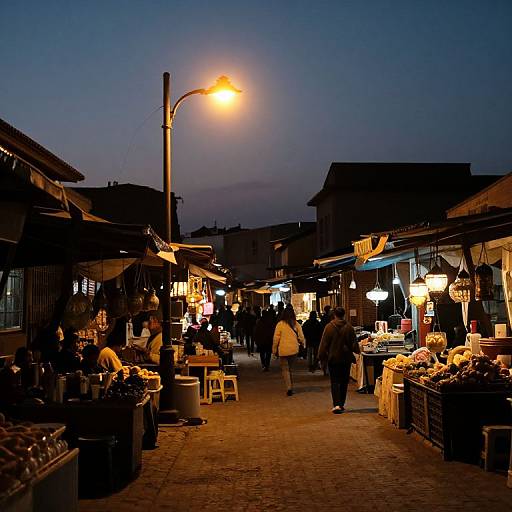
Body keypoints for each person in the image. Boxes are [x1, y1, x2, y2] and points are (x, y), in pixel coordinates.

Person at [317, 307, 360, 414]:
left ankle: (336, 404)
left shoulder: (329, 327)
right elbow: (354, 345)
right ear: (344, 315)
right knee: (344, 381)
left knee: (335, 381)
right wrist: (356, 350)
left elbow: (324, 344)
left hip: (333, 358)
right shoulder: (349, 327)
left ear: (334, 315)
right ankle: (341, 403)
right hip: (346, 359)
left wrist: (320, 356)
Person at [272, 305, 305, 396]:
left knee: (285, 369)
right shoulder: (296, 324)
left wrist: (274, 351)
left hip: (283, 350)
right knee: (290, 369)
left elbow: (276, 339)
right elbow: (301, 337)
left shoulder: (280, 324)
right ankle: (290, 386)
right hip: (294, 350)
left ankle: (289, 387)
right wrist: (303, 345)